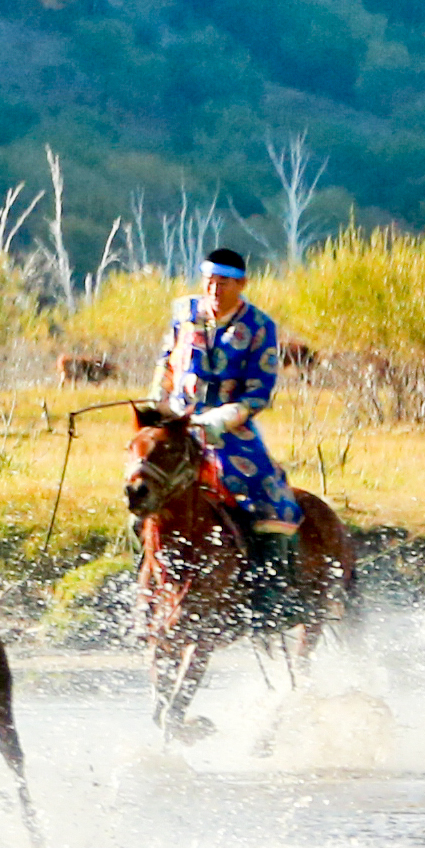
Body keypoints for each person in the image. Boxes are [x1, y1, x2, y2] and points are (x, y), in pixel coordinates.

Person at [158, 246, 301, 621]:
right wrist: (159, 409)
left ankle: (269, 588)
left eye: (223, 282)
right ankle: (149, 580)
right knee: (145, 487)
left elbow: (260, 391)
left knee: (266, 492)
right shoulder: (183, 314)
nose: (214, 289)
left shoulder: (259, 326)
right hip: (178, 422)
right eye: (209, 280)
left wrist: (223, 417)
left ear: (241, 284)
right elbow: (166, 366)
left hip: (229, 430)